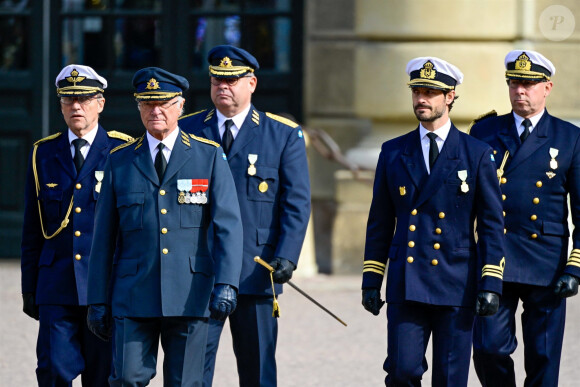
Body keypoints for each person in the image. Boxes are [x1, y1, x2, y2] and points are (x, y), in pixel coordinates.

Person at [85, 67, 244, 386]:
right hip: (133, 293)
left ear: (180, 105)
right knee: (127, 379)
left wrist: (227, 282)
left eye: (163, 103)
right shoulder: (120, 160)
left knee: (186, 382)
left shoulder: (208, 155)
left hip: (190, 293)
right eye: (147, 104)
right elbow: (103, 238)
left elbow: (228, 226)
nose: (155, 111)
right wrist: (97, 299)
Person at [361, 57, 506, 386]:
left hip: (456, 281)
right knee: (402, 371)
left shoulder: (476, 153)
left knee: (451, 377)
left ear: (450, 96)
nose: (421, 99)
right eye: (416, 91)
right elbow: (380, 221)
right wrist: (372, 278)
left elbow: (491, 225)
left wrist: (490, 283)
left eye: (430, 92)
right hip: (406, 282)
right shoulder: (393, 152)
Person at [179, 45, 311, 387]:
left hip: (255, 270)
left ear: (251, 83)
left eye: (232, 80)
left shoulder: (282, 135)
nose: (223, 86)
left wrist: (287, 256)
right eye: (216, 79)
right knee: (190, 372)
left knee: (258, 373)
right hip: (198, 271)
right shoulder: (187, 131)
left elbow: (296, 203)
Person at [470, 50, 580, 387]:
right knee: (487, 347)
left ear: (547, 88)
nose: (521, 90)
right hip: (494, 259)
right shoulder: (485, 131)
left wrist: (575, 266)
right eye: (515, 83)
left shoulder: (569, 137)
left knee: (543, 355)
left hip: (544, 262)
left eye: (529, 84)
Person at [20, 64, 132, 386]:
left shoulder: (122, 151)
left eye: (84, 99)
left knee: (103, 377)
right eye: (68, 100)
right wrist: (30, 286)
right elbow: (32, 229)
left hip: (106, 287)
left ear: (101, 102)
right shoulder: (43, 153)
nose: (76, 106)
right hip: (57, 284)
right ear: (60, 105)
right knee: (53, 370)